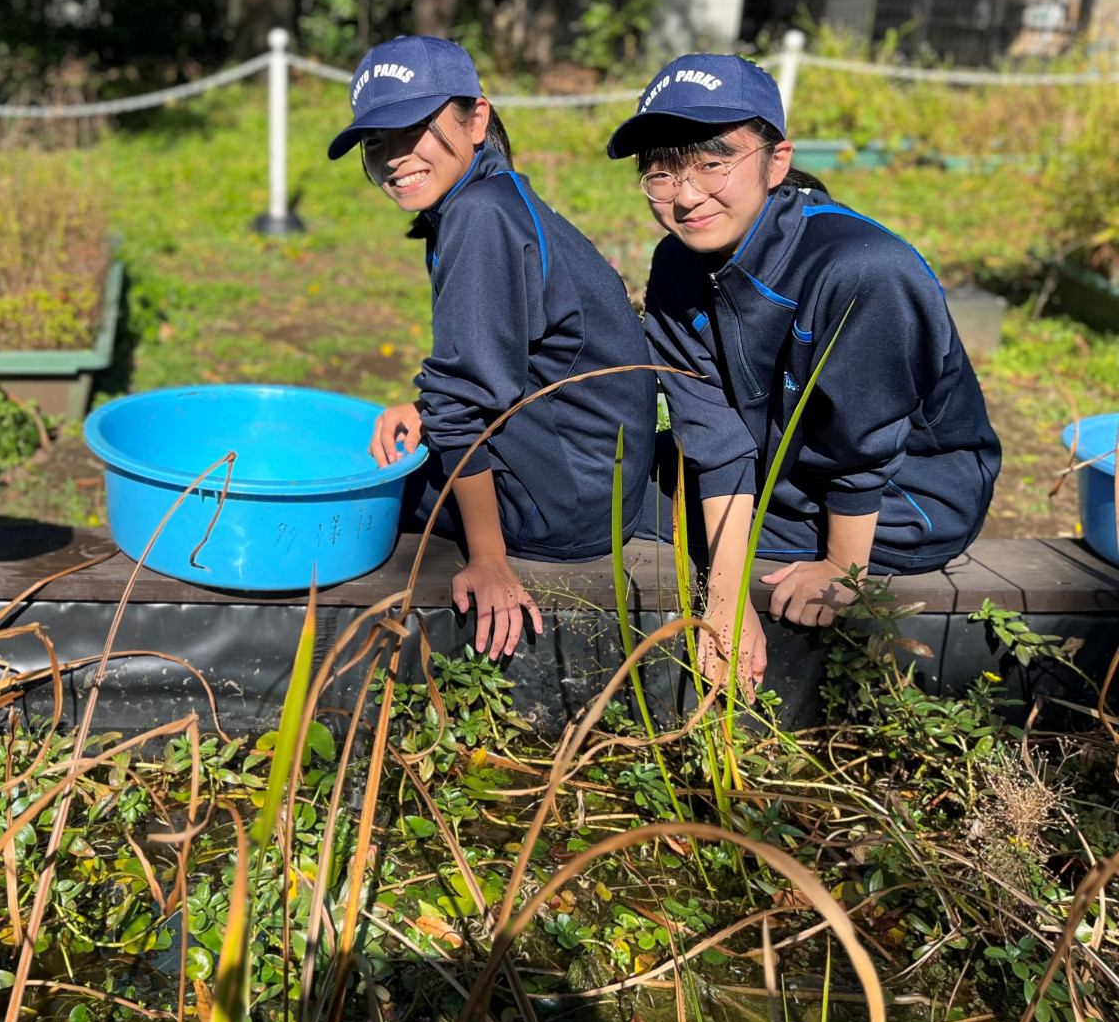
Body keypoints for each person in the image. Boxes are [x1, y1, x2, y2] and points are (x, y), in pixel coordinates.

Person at [607, 53, 1001, 690]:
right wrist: (728, 601)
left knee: (617, 512)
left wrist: (842, 572)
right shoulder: (677, 264)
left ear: (777, 160)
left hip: (899, 496)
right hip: (777, 469)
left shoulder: (862, 269)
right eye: (660, 172)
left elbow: (862, 447)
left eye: (711, 163)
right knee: (605, 476)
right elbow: (714, 436)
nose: (685, 195)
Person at [328, 36, 658, 659]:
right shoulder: (495, 200)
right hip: (588, 482)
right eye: (376, 142)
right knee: (384, 444)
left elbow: (463, 403)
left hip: (556, 504)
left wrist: (488, 559)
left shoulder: (479, 217)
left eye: (413, 130)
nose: (394, 158)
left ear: (476, 119)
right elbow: (513, 361)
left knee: (343, 475)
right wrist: (425, 411)